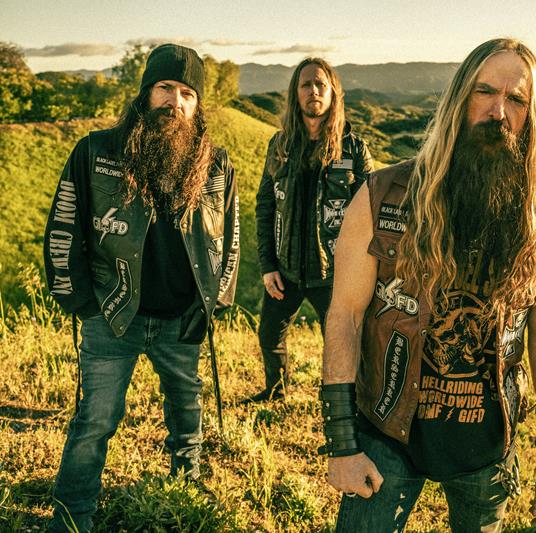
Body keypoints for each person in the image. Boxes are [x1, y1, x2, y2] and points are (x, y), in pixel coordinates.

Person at [319, 38, 536, 532]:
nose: (499, 111)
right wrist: (342, 444)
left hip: (486, 448)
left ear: (533, 116)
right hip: (387, 432)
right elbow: (345, 316)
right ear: (459, 99)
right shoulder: (382, 198)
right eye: (485, 92)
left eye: (517, 99)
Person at [43, 43, 239, 533]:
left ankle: (185, 494)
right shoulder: (96, 151)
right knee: (95, 421)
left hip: (181, 318)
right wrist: (81, 300)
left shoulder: (216, 164)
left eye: (187, 93)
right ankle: (72, 516)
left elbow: (229, 239)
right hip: (113, 314)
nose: (176, 101)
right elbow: (64, 225)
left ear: (198, 104)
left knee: (187, 414)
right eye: (165, 88)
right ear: (145, 93)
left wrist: (212, 303)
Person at [251, 57, 373, 402]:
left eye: (321, 85)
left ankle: (342, 402)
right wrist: (268, 266)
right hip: (286, 269)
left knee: (339, 343)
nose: (314, 91)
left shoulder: (353, 149)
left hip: (334, 273)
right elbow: (265, 206)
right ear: (296, 93)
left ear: (333, 93)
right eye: (306, 85)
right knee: (269, 335)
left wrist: (359, 271)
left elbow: (370, 215)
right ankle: (276, 393)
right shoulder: (280, 145)